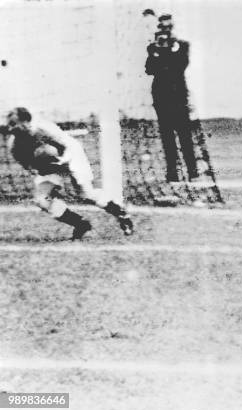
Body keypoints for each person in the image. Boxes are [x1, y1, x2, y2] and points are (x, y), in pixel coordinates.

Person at [3, 107, 134, 240]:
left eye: (14, 123)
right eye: (9, 124)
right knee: (43, 200)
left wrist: (59, 160)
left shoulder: (43, 129)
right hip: (50, 166)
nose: (10, 128)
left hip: (71, 155)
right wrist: (39, 167)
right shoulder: (14, 145)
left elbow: (65, 146)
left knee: (86, 194)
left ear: (26, 121)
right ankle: (80, 224)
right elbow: (28, 165)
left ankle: (121, 213)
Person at [145, 13, 200, 183]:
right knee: (167, 137)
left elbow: (181, 65)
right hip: (162, 97)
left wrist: (170, 49)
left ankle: (192, 171)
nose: (165, 30)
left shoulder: (182, 46)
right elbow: (149, 69)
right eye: (162, 27)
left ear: (172, 28)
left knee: (184, 135)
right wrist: (157, 51)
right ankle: (172, 173)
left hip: (178, 96)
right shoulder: (153, 48)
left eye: (168, 27)